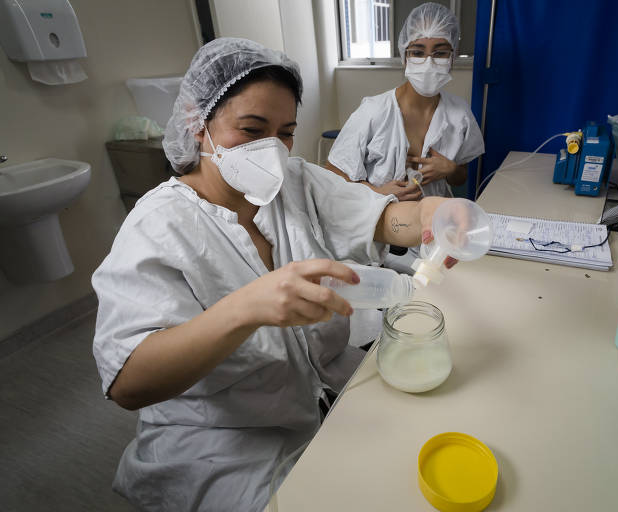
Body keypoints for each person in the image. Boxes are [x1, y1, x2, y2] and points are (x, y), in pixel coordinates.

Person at [92, 38, 454, 512]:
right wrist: (244, 309)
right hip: (223, 441)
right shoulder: (158, 225)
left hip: (319, 394)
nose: (272, 150)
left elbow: (383, 218)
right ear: (196, 125)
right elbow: (128, 383)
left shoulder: (297, 184)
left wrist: (436, 215)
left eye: (284, 132)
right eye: (251, 128)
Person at [326, 2, 484, 273]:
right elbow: (331, 176)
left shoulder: (459, 115)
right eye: (418, 52)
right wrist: (376, 192)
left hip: (432, 233)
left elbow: (461, 178)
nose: (429, 62)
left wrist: (451, 168)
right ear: (404, 56)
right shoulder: (373, 112)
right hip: (377, 230)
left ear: (453, 57)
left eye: (440, 52)